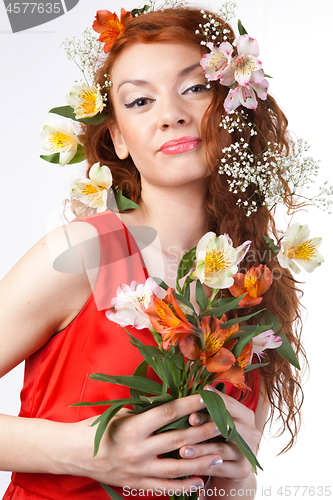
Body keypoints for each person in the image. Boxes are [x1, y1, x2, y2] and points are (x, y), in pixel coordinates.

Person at [0, 5, 306, 500]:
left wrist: (239, 477)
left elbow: (224, 485)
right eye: (140, 101)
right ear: (118, 137)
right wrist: (86, 450)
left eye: (194, 88)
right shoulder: (88, 252)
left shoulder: (257, 282)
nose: (171, 115)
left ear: (233, 104)